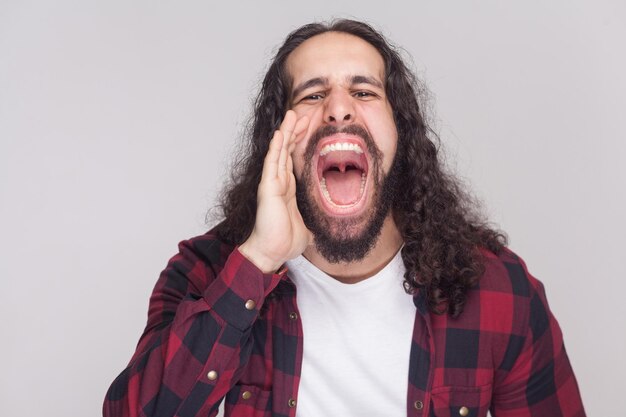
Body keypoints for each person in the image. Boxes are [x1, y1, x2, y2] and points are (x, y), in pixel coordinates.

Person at [103, 19, 585, 417]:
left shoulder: (499, 289)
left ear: (401, 135)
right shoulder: (207, 272)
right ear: (279, 141)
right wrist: (258, 260)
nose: (338, 109)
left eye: (364, 92)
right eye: (312, 95)